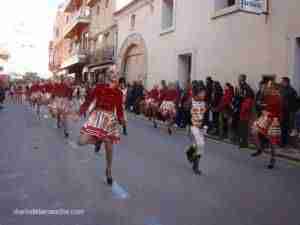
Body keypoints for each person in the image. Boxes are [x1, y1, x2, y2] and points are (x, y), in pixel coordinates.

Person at [76, 67, 124, 186]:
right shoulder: (99, 87)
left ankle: (108, 170)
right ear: (108, 74)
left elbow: (119, 109)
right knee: (81, 141)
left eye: (117, 73)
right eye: (112, 72)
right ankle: (98, 140)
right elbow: (88, 101)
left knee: (109, 145)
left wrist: (122, 120)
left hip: (109, 120)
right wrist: (79, 113)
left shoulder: (119, 92)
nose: (114, 75)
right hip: (97, 116)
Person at [251, 80, 282, 169]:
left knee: (272, 142)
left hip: (273, 120)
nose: (267, 89)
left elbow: (278, 111)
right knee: (254, 131)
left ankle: (272, 159)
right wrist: (262, 106)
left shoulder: (278, 98)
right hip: (266, 117)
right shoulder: (267, 95)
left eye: (269, 87)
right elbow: (265, 104)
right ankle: (260, 149)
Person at [185, 85, 207, 175]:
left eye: (204, 93)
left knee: (198, 145)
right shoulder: (191, 102)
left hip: (200, 126)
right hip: (193, 126)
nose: (204, 95)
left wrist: (205, 126)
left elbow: (205, 115)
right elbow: (186, 114)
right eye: (202, 93)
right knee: (200, 144)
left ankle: (189, 152)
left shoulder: (204, 103)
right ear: (197, 93)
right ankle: (196, 166)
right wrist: (187, 126)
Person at [280, 77, 298, 147]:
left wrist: (292, 110)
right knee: (282, 128)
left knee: (288, 128)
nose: (281, 83)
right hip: (282, 112)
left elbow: (295, 103)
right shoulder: (282, 90)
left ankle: (289, 143)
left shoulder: (292, 91)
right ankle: (282, 143)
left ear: (286, 82)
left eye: (283, 82)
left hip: (289, 113)